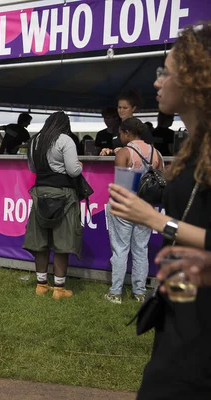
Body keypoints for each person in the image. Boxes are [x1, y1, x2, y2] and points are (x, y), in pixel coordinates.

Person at [108, 23, 211, 399]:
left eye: (165, 72)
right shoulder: (190, 147)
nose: (157, 82)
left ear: (195, 78)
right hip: (180, 309)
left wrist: (154, 219)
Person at [23, 111, 81, 299]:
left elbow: (32, 168)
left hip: (39, 193)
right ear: (65, 125)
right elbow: (73, 171)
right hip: (63, 193)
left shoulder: (34, 141)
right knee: (62, 241)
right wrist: (80, 165)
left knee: (41, 241)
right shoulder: (65, 140)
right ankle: (59, 288)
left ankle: (41, 285)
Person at [104, 118, 164, 304]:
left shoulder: (125, 152)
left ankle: (115, 292)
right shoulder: (156, 153)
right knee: (140, 249)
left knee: (120, 249)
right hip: (146, 208)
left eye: (121, 133)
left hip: (125, 206)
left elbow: (122, 186)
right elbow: (161, 181)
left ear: (127, 133)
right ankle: (139, 292)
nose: (119, 137)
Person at [100, 90, 153, 155]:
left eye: (125, 108)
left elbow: (151, 150)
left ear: (133, 108)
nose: (121, 110)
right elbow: (117, 149)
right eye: (119, 107)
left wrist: (126, 151)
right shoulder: (116, 127)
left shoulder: (141, 127)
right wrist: (109, 151)